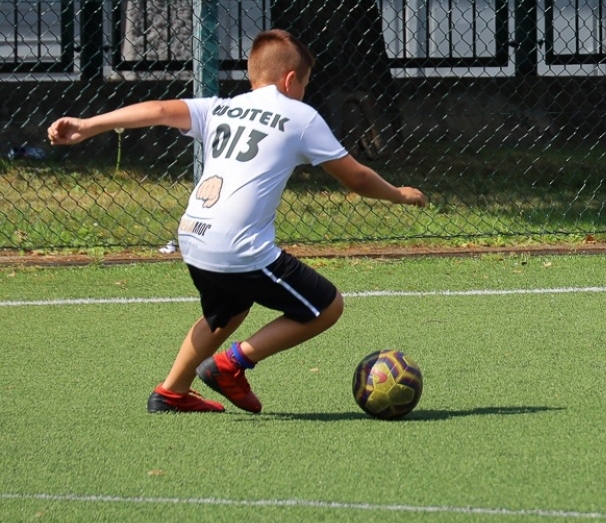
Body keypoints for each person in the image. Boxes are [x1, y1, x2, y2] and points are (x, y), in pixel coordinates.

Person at [46, 29, 427, 413]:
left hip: (193, 237)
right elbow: (356, 177)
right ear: (291, 79)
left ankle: (171, 392)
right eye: (305, 85)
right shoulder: (300, 116)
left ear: (252, 75)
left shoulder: (219, 107)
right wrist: (399, 193)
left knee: (227, 310)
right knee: (326, 307)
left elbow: (159, 110)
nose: (304, 94)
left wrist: (88, 125)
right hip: (238, 247)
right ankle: (232, 365)